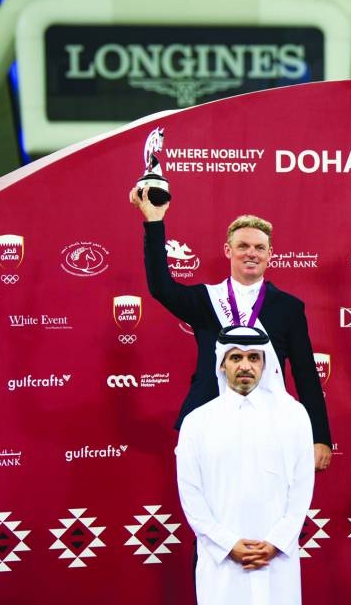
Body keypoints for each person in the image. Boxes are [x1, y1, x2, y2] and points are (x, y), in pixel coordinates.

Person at [128, 189, 332, 471]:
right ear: (228, 250)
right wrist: (154, 220)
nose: (252, 253)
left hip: (271, 424)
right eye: (243, 245)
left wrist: (319, 437)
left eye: (260, 248)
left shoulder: (289, 307)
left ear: (270, 254)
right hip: (210, 422)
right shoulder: (205, 299)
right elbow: (161, 287)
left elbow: (306, 373)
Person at [176, 325, 315, 605]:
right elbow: (191, 495)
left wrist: (275, 543)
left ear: (265, 364)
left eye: (253, 358)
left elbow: (302, 487)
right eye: (236, 358)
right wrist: (227, 544)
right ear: (222, 364)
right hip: (222, 563)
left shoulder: (294, 415)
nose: (245, 366)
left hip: (278, 560)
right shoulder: (197, 422)